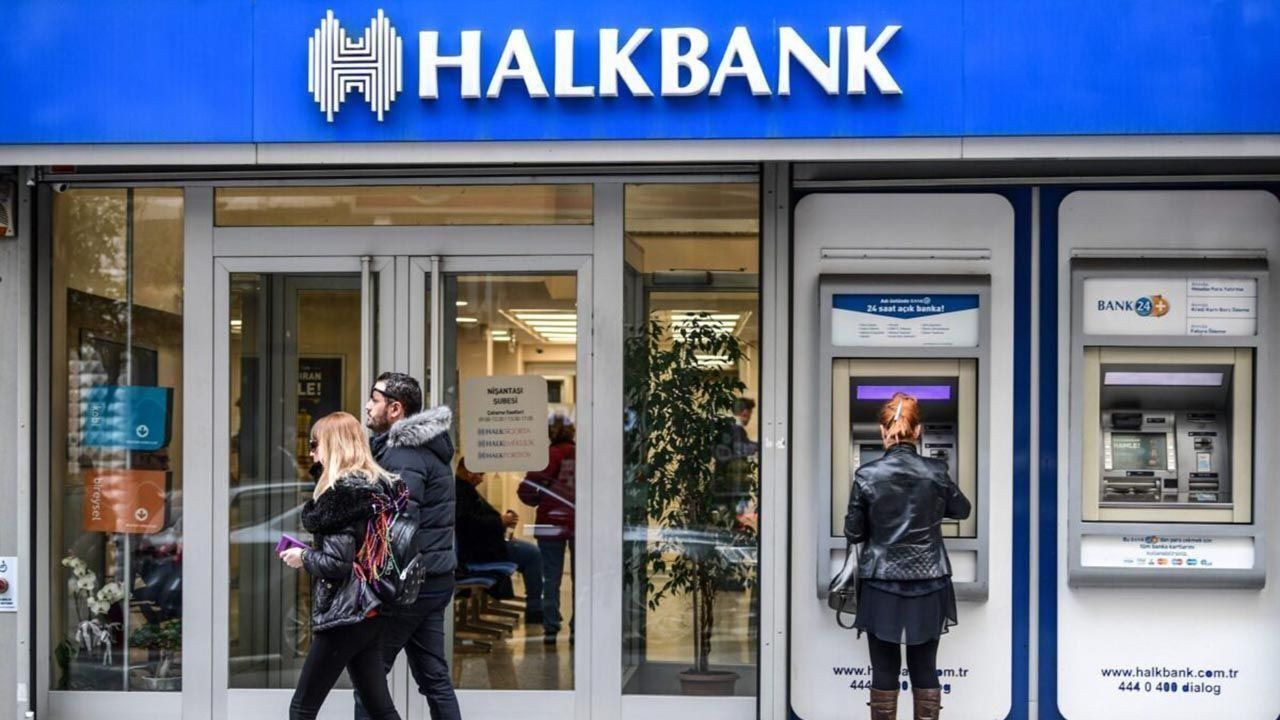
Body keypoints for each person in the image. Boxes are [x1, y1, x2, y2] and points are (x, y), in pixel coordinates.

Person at [844, 392, 971, 720]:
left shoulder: (866, 475)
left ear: (882, 431)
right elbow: (962, 510)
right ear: (918, 431)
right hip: (929, 579)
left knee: (884, 669)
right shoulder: (936, 471)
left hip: (881, 582)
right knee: (925, 667)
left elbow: (854, 531)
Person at [279, 412, 402, 720]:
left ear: (333, 446)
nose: (311, 453)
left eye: (314, 444)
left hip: (344, 616)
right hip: (370, 611)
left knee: (302, 709)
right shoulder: (374, 488)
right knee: (380, 709)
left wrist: (303, 557)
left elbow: (337, 563)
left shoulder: (341, 496)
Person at [356, 372, 460, 720]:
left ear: (396, 409)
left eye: (375, 399)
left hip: (408, 586)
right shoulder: (424, 450)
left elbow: (397, 527)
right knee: (434, 679)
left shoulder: (404, 455)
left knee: (368, 681)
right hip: (432, 580)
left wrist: (375, 579)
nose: (368, 406)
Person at [454, 457, 544, 623]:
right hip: (480, 551)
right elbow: (468, 524)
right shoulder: (461, 492)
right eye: (480, 474)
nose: (481, 479)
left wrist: (501, 523)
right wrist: (500, 521)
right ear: (469, 472)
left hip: (484, 545)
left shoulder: (463, 490)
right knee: (533, 554)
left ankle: (535, 606)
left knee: (531, 552)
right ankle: (535, 609)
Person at [518, 412, 576, 644]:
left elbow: (525, 490)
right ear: (572, 431)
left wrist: (540, 500)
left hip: (550, 523)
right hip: (579, 522)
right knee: (581, 577)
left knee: (550, 577)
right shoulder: (582, 454)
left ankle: (551, 626)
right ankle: (578, 627)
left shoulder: (546, 456)